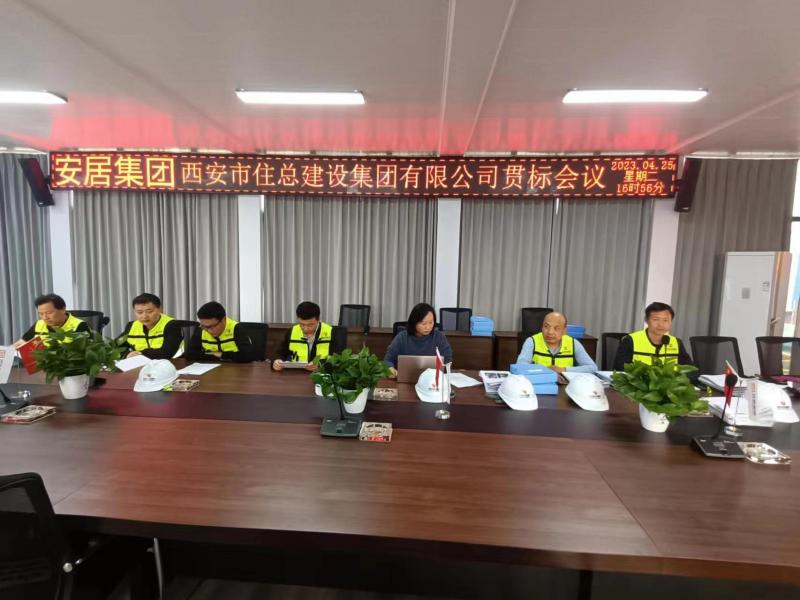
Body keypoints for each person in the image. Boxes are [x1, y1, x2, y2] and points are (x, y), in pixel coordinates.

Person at [613, 302, 696, 373]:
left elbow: (691, 370)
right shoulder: (631, 340)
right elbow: (620, 369)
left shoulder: (676, 342)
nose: (661, 324)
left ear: (671, 322)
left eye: (665, 320)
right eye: (656, 319)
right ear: (646, 320)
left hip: (669, 385)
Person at [383, 303, 453, 378]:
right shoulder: (402, 337)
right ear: (414, 322)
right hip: (405, 381)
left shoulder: (439, 337)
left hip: (432, 381)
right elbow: (387, 360)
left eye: (431, 322)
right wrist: (390, 368)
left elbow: (447, 361)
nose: (428, 327)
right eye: (423, 323)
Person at [515, 311, 597, 373]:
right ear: (542, 327)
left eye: (556, 328)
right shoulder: (532, 341)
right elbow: (520, 366)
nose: (550, 332)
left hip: (566, 385)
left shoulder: (573, 343)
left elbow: (592, 368)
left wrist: (564, 370)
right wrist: (546, 371)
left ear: (564, 331)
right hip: (539, 384)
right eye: (546, 326)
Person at [185, 301, 255, 363]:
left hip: (236, 369)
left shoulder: (236, 328)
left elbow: (247, 356)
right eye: (205, 326)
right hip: (211, 368)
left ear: (223, 320)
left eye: (213, 326)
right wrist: (214, 355)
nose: (209, 330)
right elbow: (189, 354)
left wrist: (222, 355)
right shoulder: (201, 329)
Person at [118, 293, 182, 359]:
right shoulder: (132, 326)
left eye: (149, 311)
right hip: (139, 362)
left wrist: (140, 354)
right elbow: (116, 347)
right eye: (140, 312)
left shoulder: (172, 325)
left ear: (160, 310)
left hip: (170, 362)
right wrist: (127, 354)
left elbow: (167, 352)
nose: (144, 316)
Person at [273, 301, 333, 372]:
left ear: (318, 319)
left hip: (321, 373)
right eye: (302, 324)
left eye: (310, 325)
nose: (306, 328)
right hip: (296, 373)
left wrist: (320, 364)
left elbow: (337, 358)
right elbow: (280, 352)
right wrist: (277, 361)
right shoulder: (292, 331)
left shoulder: (331, 332)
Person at [14, 294, 89, 348]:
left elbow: (82, 353)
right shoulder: (39, 324)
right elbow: (21, 343)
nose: (45, 317)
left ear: (63, 309)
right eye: (41, 314)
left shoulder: (79, 325)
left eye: (49, 313)